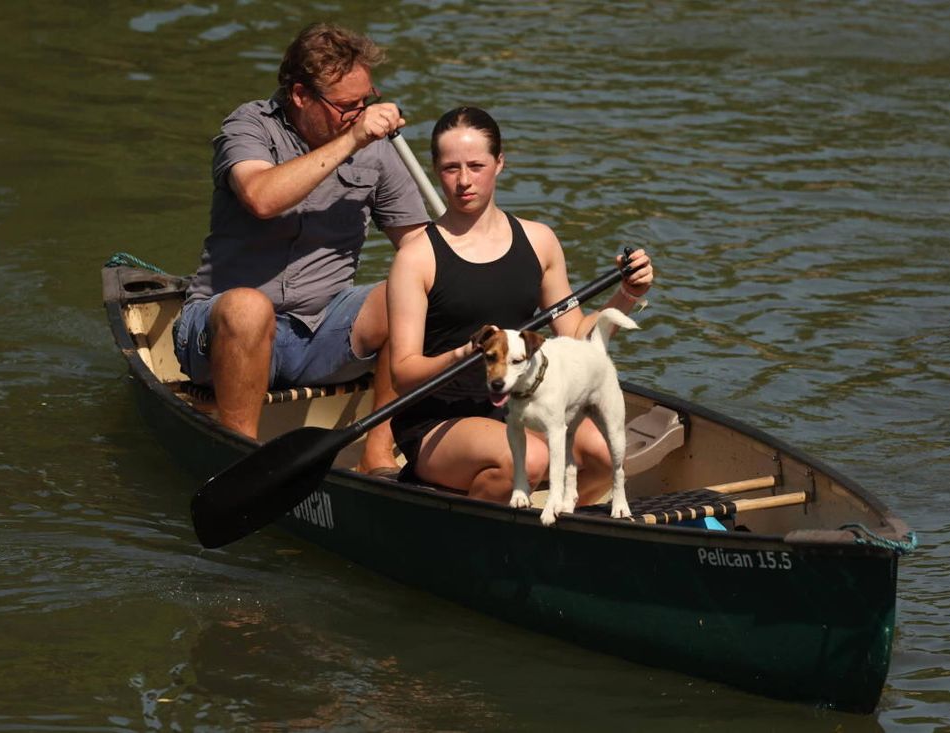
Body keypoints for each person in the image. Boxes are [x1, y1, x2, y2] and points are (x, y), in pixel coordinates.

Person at [172, 22, 430, 473]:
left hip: (322, 332)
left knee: (405, 294)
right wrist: (352, 139)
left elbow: (420, 247)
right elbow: (261, 197)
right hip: (225, 332)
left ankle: (378, 452)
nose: (360, 115)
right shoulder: (249, 126)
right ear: (300, 96)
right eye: (347, 107)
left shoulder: (379, 150)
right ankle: (241, 458)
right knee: (249, 308)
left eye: (366, 102)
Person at [386, 106, 654, 503]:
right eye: (450, 168)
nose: (463, 181)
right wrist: (463, 353)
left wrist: (628, 294)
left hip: (522, 397)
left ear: (500, 163)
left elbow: (577, 335)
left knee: (602, 455)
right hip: (440, 417)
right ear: (435, 169)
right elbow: (402, 374)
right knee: (529, 460)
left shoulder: (539, 241)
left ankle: (557, 527)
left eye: (476, 166)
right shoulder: (417, 256)